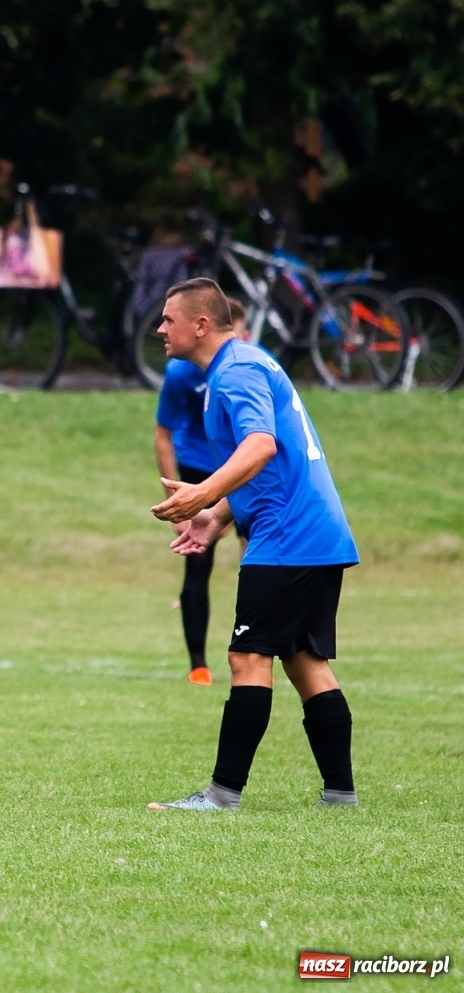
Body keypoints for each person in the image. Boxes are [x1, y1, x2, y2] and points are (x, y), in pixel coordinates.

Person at [148, 278, 360, 811]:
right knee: (305, 660)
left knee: (247, 656)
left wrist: (202, 493)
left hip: (287, 536)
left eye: (169, 319)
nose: (160, 329)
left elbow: (261, 445)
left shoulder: (236, 371)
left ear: (200, 325)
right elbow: (270, 460)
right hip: (315, 531)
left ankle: (222, 796)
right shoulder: (245, 363)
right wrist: (217, 517)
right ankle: (339, 794)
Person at [154, 295, 248, 686]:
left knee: (256, 562)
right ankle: (198, 665)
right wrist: (176, 500)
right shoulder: (181, 373)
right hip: (198, 470)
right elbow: (163, 434)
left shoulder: (251, 367)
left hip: (244, 470)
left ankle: (256, 651)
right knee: (196, 560)